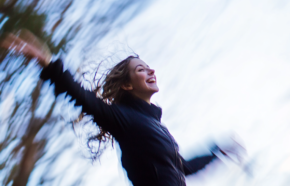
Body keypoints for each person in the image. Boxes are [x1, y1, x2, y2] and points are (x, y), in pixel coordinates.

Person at [0, 33, 244, 186]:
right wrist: (47, 63)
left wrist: (217, 152)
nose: (151, 71)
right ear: (127, 85)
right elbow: (83, 98)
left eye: (149, 67)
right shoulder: (124, 119)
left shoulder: (157, 128)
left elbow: (183, 168)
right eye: (141, 69)